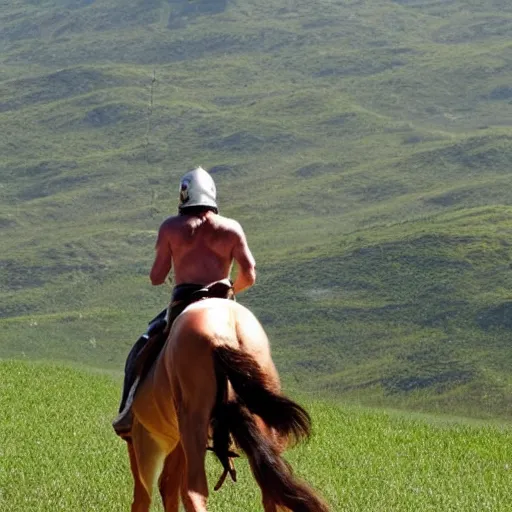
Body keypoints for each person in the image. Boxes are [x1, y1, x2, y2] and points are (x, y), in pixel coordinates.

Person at [112, 166, 256, 438]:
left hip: (183, 303)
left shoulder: (171, 228)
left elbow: (157, 277)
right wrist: (230, 291)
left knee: (143, 345)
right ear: (212, 195)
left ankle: (128, 412)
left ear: (183, 196)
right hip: (225, 300)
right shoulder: (232, 228)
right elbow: (250, 274)